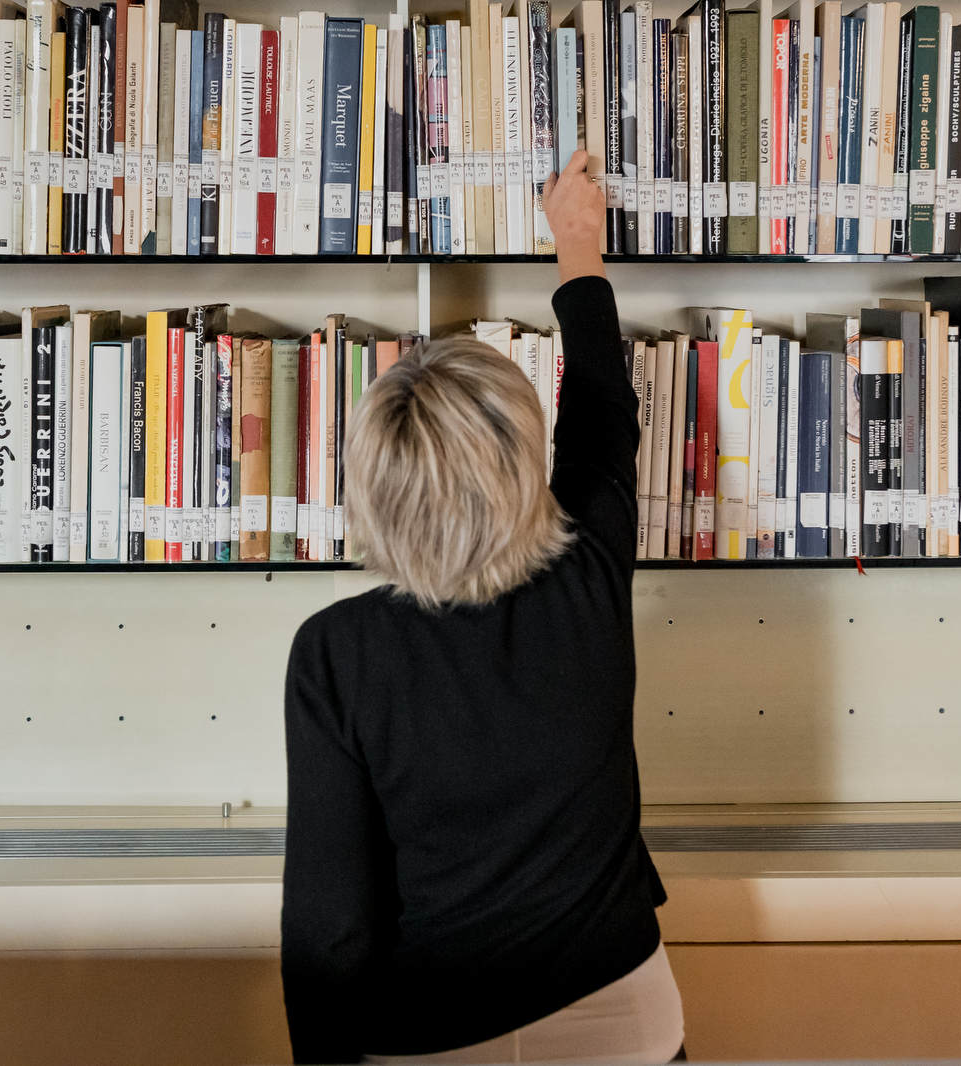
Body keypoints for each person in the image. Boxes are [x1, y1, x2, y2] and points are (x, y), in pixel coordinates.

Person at [281, 151, 683, 1066]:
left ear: (374, 491)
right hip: (619, 1009)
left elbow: (329, 921)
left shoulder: (337, 654)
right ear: (521, 465)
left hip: (431, 1032)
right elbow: (603, 408)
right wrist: (577, 242)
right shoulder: (587, 575)